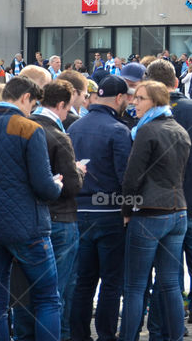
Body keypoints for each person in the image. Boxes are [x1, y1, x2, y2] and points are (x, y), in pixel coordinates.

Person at [0, 76, 63, 341]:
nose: (33, 109)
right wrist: (57, 184)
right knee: (48, 298)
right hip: (28, 229)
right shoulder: (30, 129)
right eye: (33, 103)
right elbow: (44, 187)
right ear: (25, 97)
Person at [144, 59, 192, 341]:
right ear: (177, 82)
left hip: (165, 206)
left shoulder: (149, 115)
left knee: (169, 275)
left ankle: (164, 331)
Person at [13, 80, 85, 341]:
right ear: (62, 104)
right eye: (67, 109)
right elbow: (71, 185)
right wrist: (78, 171)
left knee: (23, 292)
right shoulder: (58, 135)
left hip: (25, 221)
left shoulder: (21, 130)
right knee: (55, 294)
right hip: (60, 220)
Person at [119, 80, 191, 341]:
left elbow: (132, 177)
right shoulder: (181, 130)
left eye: (140, 98)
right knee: (171, 283)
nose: (133, 102)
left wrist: (126, 209)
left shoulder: (147, 131)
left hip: (150, 212)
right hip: (178, 210)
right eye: (134, 97)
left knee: (135, 286)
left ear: (156, 102)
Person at [68, 75, 133, 341]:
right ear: (119, 99)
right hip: (109, 214)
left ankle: (79, 335)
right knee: (111, 281)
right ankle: (106, 335)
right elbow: (125, 177)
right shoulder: (119, 131)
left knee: (83, 282)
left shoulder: (73, 128)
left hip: (79, 212)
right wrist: (128, 211)